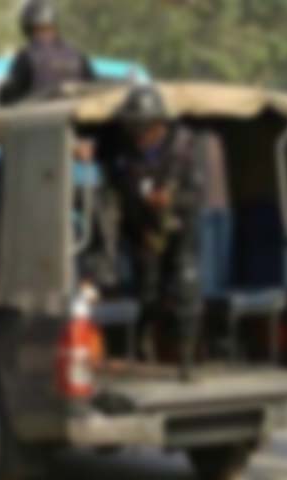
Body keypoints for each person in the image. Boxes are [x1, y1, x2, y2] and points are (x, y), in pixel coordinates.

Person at [106, 85, 212, 372]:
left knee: (187, 287)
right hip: (145, 234)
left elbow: (196, 195)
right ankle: (144, 348)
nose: (138, 134)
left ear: (157, 124)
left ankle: (187, 360)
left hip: (180, 230)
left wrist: (170, 200)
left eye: (142, 127)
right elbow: (119, 185)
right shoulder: (124, 151)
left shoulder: (183, 147)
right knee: (147, 293)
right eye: (133, 127)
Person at [0, 0, 94, 107]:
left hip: (39, 116)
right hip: (73, 116)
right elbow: (93, 89)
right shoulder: (78, 56)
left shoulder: (26, 57)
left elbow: (9, 97)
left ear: (27, 28)